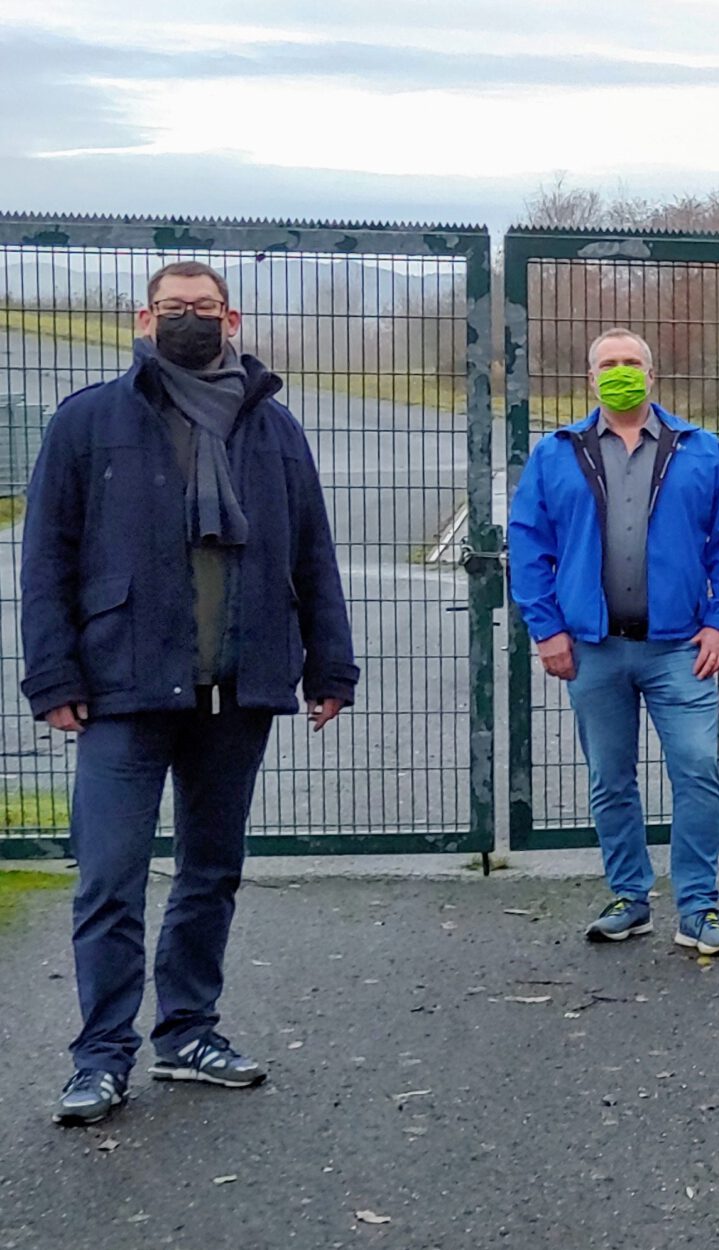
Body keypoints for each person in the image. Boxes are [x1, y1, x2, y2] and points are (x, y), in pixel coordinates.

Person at [19, 261, 358, 1125]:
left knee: (211, 871)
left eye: (204, 310)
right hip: (121, 689)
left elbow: (311, 550)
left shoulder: (273, 426)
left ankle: (188, 1034)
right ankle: (100, 1056)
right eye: (174, 310)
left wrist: (330, 665)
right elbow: (46, 560)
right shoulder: (90, 420)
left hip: (237, 688)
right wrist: (53, 674)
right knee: (109, 878)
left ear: (232, 318)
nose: (190, 322)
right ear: (145, 317)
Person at [508, 329, 719, 955]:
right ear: (590, 378)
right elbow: (530, 546)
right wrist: (548, 629)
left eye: (631, 363)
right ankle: (629, 897)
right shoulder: (557, 453)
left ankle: (698, 907)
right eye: (608, 365)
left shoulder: (699, 450)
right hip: (592, 649)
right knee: (610, 777)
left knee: (696, 771)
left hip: (679, 650)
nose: (621, 372)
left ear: (653, 373)